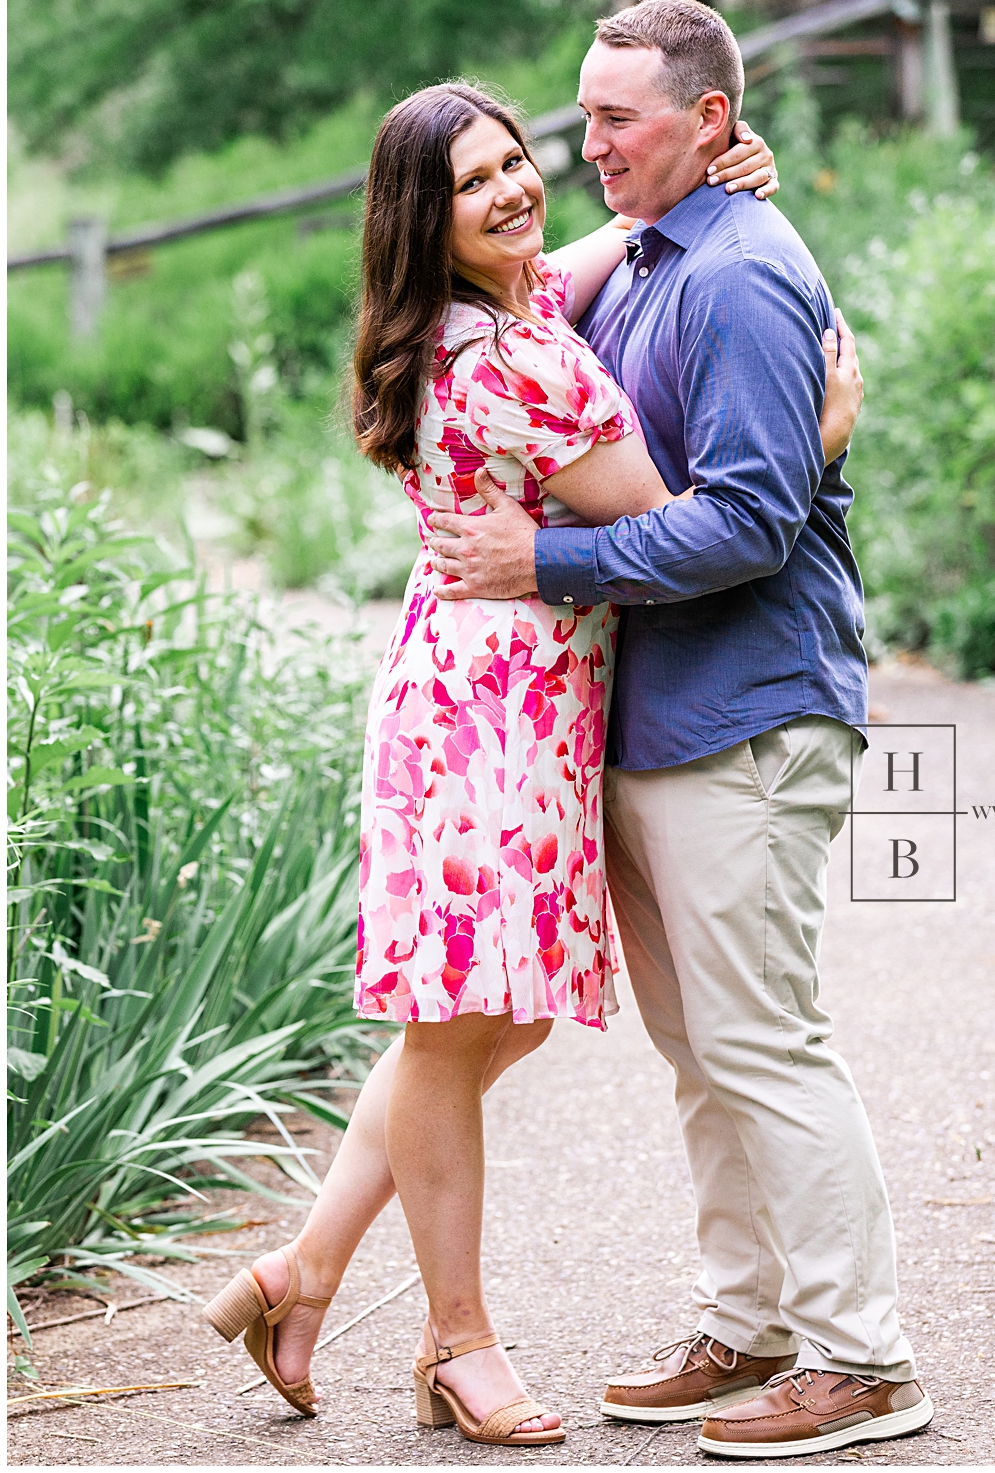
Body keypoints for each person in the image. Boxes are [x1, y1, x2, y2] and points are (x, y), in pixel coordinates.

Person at [202, 84, 861, 1446]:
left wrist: (697, 191)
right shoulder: (523, 364)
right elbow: (693, 526)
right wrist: (819, 435)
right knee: (455, 1036)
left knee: (487, 1021)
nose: (514, 193)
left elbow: (578, 259)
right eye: (473, 184)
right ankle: (458, 1340)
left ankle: (303, 1273)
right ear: (421, 222)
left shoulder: (467, 321)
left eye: (519, 162)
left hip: (475, 701)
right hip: (494, 727)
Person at [423, 0, 934, 1459]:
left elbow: (755, 524)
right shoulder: (654, 256)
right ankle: (750, 1320)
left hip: (749, 718)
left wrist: (547, 564)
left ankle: (864, 1360)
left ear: (709, 118)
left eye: (618, 119)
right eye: (581, 117)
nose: (588, 147)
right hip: (654, 727)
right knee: (704, 1052)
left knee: (766, 1042)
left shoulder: (744, 278)